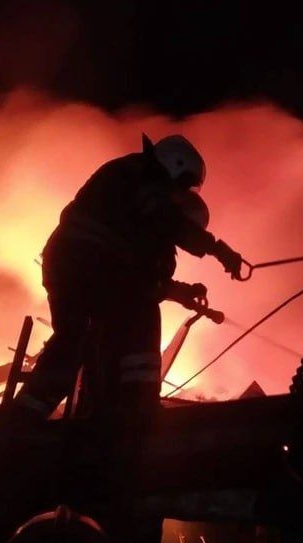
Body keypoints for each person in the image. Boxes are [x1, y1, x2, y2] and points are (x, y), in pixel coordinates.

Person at [13, 134, 243, 422]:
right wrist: (217, 249)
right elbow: (160, 230)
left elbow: (140, 277)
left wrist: (181, 292)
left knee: (79, 339)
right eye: (184, 182)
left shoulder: (141, 210)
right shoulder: (139, 178)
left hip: (78, 267)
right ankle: (137, 403)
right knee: (136, 318)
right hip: (85, 263)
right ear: (174, 164)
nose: (180, 191)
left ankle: (32, 416)